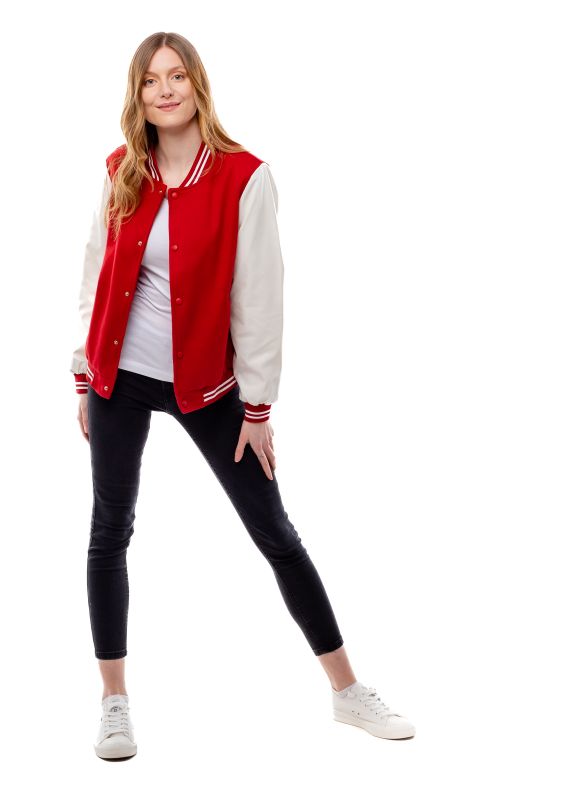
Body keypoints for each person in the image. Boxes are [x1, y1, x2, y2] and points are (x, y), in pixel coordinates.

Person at [71, 32, 416, 760]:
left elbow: (260, 297)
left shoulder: (244, 177)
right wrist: (84, 372)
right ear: (137, 95)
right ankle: (114, 702)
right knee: (109, 531)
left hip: (208, 386)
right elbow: (95, 270)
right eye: (150, 81)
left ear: (197, 85)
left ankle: (347, 690)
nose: (165, 90)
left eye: (177, 76)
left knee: (275, 532)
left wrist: (257, 407)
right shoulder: (121, 169)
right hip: (118, 379)